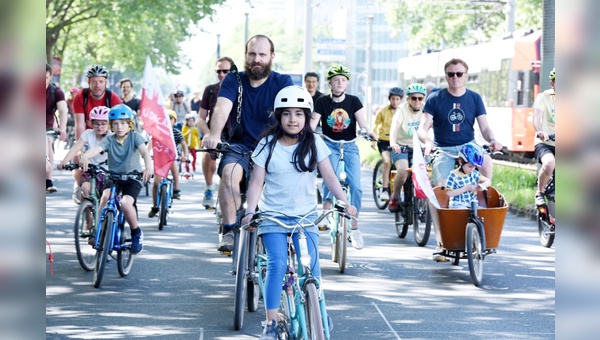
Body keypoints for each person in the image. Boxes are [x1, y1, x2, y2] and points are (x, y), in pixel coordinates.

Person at [240, 86, 357, 339]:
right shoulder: (266, 145)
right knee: (277, 264)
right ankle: (271, 323)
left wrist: (344, 201)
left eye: (299, 114)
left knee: (312, 269)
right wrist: (251, 211)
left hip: (305, 218)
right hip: (273, 217)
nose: (293, 119)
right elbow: (257, 182)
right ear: (279, 117)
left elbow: (329, 176)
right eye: (287, 114)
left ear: (307, 117)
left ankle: (318, 311)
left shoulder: (314, 142)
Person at [201, 35, 294, 252]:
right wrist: (214, 134)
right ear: (245, 56)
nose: (257, 59)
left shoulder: (282, 82)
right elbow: (222, 107)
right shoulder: (234, 80)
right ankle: (229, 230)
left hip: (273, 147)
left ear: (272, 56)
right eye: (252, 54)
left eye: (262, 54)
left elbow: (293, 116)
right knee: (229, 174)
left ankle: (286, 234)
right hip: (239, 146)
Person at [309, 64, 378, 250]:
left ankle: (354, 227)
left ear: (347, 83)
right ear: (330, 83)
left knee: (355, 185)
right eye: (336, 80)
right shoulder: (322, 102)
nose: (339, 83)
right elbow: (314, 122)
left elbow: (363, 124)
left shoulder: (354, 101)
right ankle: (326, 209)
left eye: (343, 80)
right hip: (328, 143)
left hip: (349, 146)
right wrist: (309, 132)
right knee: (329, 177)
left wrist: (368, 132)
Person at [416, 58, 502, 188]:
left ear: (466, 76)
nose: (455, 77)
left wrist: (492, 139)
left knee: (487, 162)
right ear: (446, 77)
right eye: (451, 74)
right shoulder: (434, 98)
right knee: (442, 187)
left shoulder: (475, 98)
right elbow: (422, 128)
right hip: (443, 149)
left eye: (459, 74)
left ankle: (483, 197)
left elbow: (484, 128)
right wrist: (428, 141)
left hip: (469, 146)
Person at [79, 104, 152, 255]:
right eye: (116, 123)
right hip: (114, 177)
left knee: (125, 204)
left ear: (129, 124)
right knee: (105, 198)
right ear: (111, 125)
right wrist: (85, 156)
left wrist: (149, 167)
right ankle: (99, 231)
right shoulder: (110, 139)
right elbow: (96, 149)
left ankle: (136, 232)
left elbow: (145, 153)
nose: (119, 127)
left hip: (133, 178)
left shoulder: (135, 137)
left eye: (123, 123)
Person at [197, 56, 234, 209]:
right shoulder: (210, 90)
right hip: (215, 133)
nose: (221, 74)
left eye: (225, 71)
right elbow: (200, 118)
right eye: (218, 71)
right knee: (208, 154)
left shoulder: (241, 89)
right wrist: (207, 133)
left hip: (235, 134)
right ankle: (209, 187)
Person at [58, 106, 113, 202]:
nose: (100, 127)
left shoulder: (112, 136)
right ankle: (87, 215)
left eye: (103, 124)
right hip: (91, 170)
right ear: (91, 123)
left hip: (108, 171)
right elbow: (75, 149)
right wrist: (64, 162)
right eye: (97, 124)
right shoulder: (88, 134)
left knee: (107, 196)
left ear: (109, 124)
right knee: (85, 189)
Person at [388, 83, 427, 211]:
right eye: (413, 98)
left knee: (424, 171)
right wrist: (393, 143)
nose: (417, 101)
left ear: (423, 99)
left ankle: (423, 202)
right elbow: (394, 128)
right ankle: (395, 195)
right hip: (401, 146)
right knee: (403, 170)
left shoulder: (426, 111)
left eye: (420, 98)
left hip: (418, 147)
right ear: (408, 99)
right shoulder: (401, 110)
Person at [148, 110, 189, 217]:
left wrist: (185, 156)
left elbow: (184, 145)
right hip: (160, 158)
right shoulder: (157, 131)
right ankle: (155, 206)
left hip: (173, 157)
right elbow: (151, 143)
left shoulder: (176, 132)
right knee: (156, 183)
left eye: (169, 119)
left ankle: (176, 188)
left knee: (175, 168)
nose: (166, 121)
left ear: (174, 121)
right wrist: (148, 153)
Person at [72, 64, 123, 140]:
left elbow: (119, 125)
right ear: (88, 82)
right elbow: (80, 125)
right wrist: (80, 150)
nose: (97, 85)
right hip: (87, 137)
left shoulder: (113, 98)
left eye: (101, 82)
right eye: (94, 82)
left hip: (108, 136)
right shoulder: (80, 97)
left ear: (106, 82)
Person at [372, 86, 404, 202]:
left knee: (400, 165)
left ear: (401, 100)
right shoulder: (383, 111)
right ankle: (385, 189)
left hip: (398, 141)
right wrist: (373, 140)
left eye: (397, 99)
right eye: (393, 99)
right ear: (389, 99)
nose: (395, 101)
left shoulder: (403, 111)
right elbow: (375, 126)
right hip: (384, 141)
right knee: (387, 161)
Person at [533, 68, 555, 206]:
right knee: (549, 164)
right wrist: (540, 131)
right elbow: (536, 118)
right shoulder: (544, 97)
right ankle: (539, 192)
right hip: (545, 142)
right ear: (552, 83)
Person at [45, 63, 68, 193]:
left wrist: (63, 128)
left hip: (46, 127)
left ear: (50, 77)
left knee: (47, 140)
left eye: (45, 77)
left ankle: (48, 180)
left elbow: (63, 110)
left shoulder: (56, 92)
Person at [445, 143, 491, 209]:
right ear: (461, 162)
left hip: (472, 204)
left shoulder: (474, 173)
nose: (472, 169)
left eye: (475, 167)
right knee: (463, 213)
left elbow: (488, 181)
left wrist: (482, 186)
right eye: (470, 166)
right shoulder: (453, 175)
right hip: (458, 204)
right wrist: (466, 188)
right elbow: (449, 193)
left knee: (484, 212)